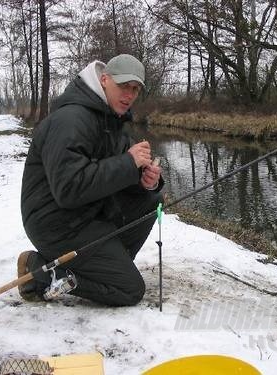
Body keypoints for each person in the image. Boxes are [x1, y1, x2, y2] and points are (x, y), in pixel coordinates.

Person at [19, 54, 163, 306]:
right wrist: (128, 162)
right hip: (56, 224)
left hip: (87, 215)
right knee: (130, 290)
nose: (129, 95)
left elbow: (112, 177)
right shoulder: (71, 119)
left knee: (151, 201)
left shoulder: (111, 120)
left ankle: (108, 267)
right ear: (104, 80)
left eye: (135, 89)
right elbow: (69, 188)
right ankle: (41, 272)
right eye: (123, 86)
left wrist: (145, 182)